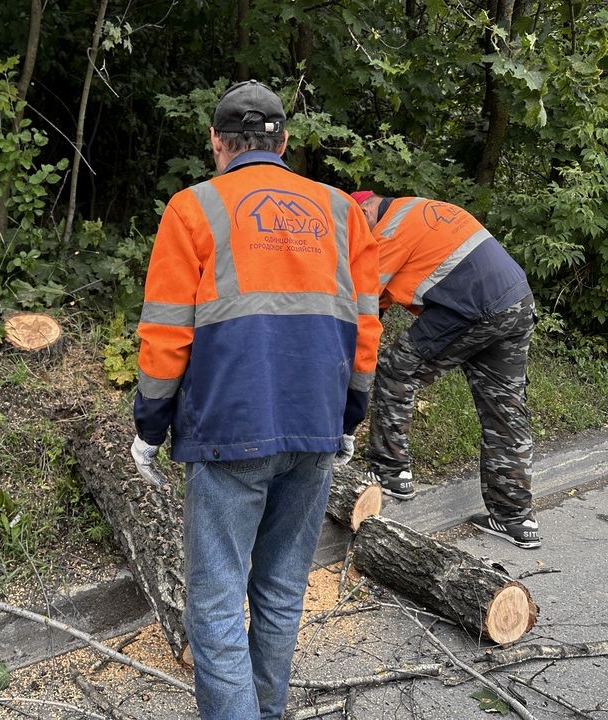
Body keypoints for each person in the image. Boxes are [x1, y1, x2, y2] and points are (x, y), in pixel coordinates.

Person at [130, 80, 382, 719]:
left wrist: (150, 426)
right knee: (281, 589)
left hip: (228, 430)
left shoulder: (192, 209)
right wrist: (351, 415)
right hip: (317, 427)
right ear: (284, 142)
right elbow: (366, 326)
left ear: (216, 142)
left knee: (215, 602)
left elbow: (165, 330)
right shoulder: (340, 212)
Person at [349, 190, 540, 549]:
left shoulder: (389, 230)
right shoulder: (415, 211)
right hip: (516, 301)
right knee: (505, 408)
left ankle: (391, 472)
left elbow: (361, 305)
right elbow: (380, 304)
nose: (355, 242)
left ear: (364, 211)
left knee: (397, 368)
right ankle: (517, 518)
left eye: (354, 229)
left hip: (472, 306)